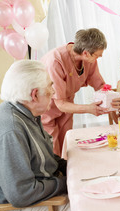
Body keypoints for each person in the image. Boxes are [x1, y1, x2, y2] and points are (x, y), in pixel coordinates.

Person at [0, 60, 72, 211]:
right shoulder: (11, 128)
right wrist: (65, 183)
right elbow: (22, 194)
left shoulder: (26, 113)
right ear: (34, 95)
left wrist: (73, 168)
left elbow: (47, 159)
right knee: (96, 207)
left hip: (38, 196)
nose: (54, 91)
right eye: (50, 87)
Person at [41, 28, 115, 157]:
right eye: (97, 55)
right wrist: (89, 108)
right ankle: (56, 176)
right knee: (52, 148)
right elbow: (60, 104)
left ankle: (67, 174)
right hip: (47, 106)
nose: (100, 57)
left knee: (66, 143)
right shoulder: (55, 61)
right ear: (86, 53)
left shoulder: (89, 60)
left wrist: (111, 97)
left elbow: (98, 83)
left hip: (67, 104)